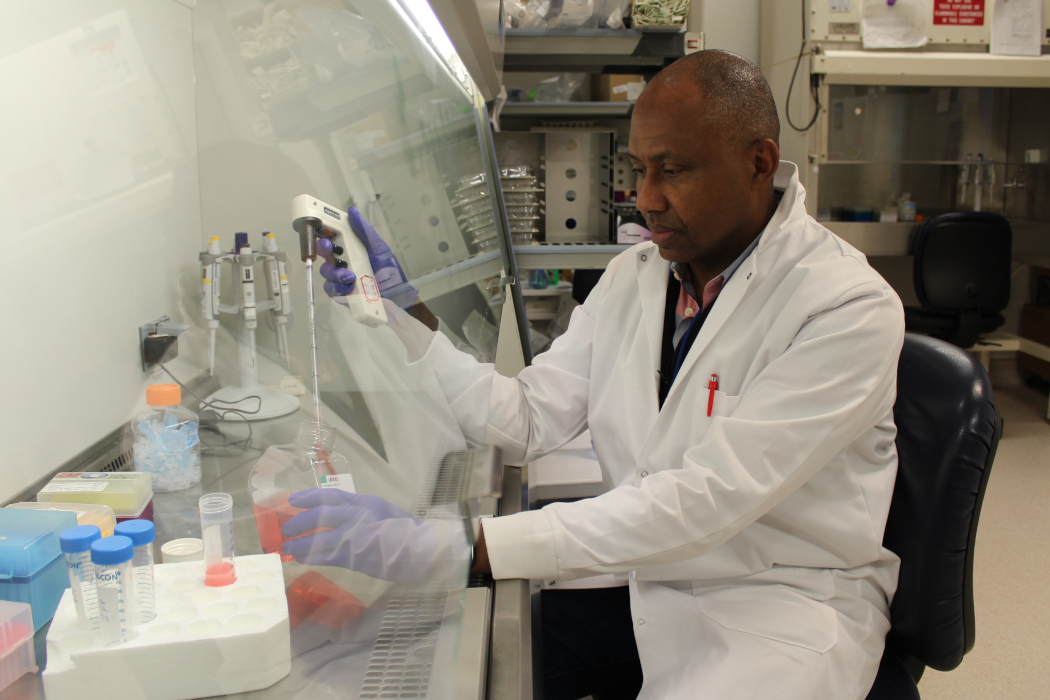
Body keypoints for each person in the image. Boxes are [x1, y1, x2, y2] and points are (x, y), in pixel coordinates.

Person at [301, 49, 905, 700]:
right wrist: (403, 310)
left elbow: (708, 498)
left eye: (672, 171)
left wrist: (471, 545)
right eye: (638, 169)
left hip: (778, 605)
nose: (646, 199)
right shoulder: (634, 278)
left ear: (758, 162)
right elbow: (526, 419)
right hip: (650, 579)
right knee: (372, 661)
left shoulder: (844, 305)